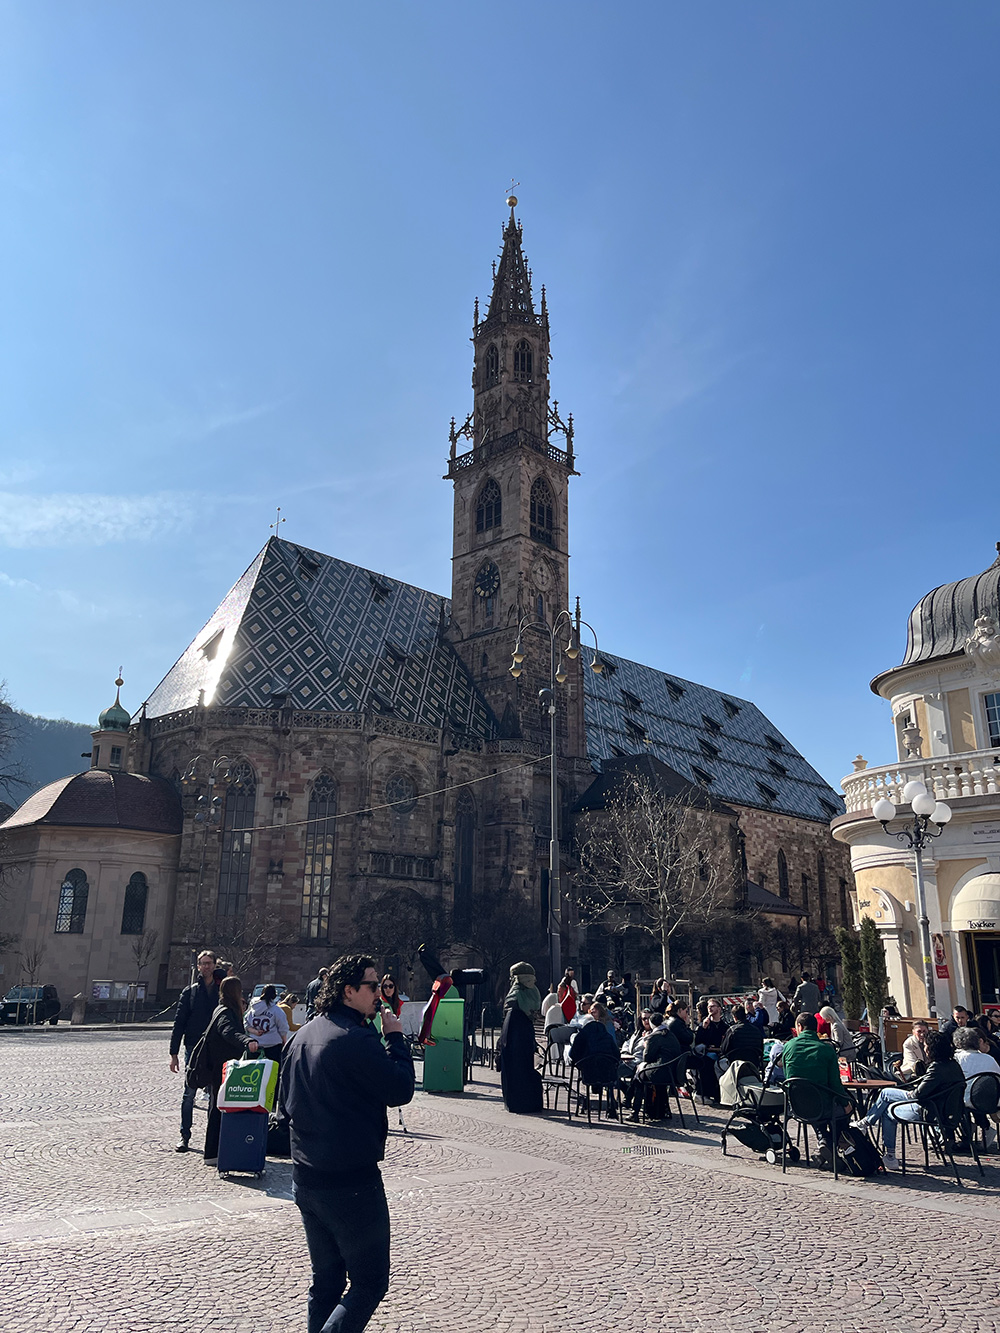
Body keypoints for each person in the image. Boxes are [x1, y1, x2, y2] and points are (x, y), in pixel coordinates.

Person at [279, 953, 415, 1333]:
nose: (379, 993)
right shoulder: (356, 1038)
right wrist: (394, 1038)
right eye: (372, 986)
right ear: (348, 991)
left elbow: (284, 1103)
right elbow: (400, 1088)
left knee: (327, 1283)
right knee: (370, 1283)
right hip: (350, 1181)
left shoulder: (302, 1035)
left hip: (306, 1178)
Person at [855, 1030, 965, 1171]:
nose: (924, 1049)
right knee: (887, 1099)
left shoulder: (937, 1068)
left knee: (887, 1105)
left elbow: (917, 1095)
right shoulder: (953, 1065)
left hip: (930, 1111)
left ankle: (888, 1152)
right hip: (949, 1111)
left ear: (931, 1048)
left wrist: (909, 1092)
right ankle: (867, 1126)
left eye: (925, 1046)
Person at [202, 976, 260, 1166]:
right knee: (219, 1109)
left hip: (222, 1066)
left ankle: (215, 1151)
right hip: (222, 1067)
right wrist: (247, 1041)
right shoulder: (226, 1012)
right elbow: (228, 1031)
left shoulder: (222, 1008)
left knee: (217, 1107)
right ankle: (213, 1152)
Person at [168, 949, 220, 1153]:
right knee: (189, 1094)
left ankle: (213, 1140)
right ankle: (185, 1135)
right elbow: (178, 1023)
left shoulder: (221, 990)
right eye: (203, 963)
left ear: (215, 965)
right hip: (193, 1048)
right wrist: (173, 1054)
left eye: (209, 963)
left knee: (216, 1096)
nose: (206, 967)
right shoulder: (189, 993)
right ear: (198, 966)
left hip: (216, 1048)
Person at [782, 1012, 853, 1155]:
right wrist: (846, 1103)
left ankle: (824, 1138)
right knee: (849, 1105)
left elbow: (787, 1075)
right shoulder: (826, 1049)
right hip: (823, 1105)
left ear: (800, 1027)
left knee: (813, 1100)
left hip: (797, 1106)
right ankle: (834, 1139)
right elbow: (835, 1083)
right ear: (816, 1029)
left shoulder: (789, 1046)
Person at [497, 961, 543, 1114]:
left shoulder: (516, 992)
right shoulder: (533, 991)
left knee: (515, 1066)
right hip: (523, 1031)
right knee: (523, 1065)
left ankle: (517, 1101)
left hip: (513, 1030)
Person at [628, 1012, 681, 1121]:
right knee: (640, 1070)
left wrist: (646, 1045)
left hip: (661, 1073)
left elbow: (647, 1058)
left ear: (652, 1024)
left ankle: (634, 1111)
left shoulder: (653, 1036)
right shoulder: (671, 1035)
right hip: (674, 1073)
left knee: (639, 1074)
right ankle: (660, 1109)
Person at [954, 1025, 1000, 1149]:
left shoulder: (958, 1059)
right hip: (992, 1101)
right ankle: (981, 1128)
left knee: (956, 1100)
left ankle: (964, 1135)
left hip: (969, 1101)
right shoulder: (989, 1058)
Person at [245, 983, 290, 1066]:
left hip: (255, 1045)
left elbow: (246, 1024)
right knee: (273, 1072)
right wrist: (284, 1041)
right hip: (273, 1046)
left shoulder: (253, 1009)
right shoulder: (277, 1010)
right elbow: (283, 1028)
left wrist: (255, 1031)